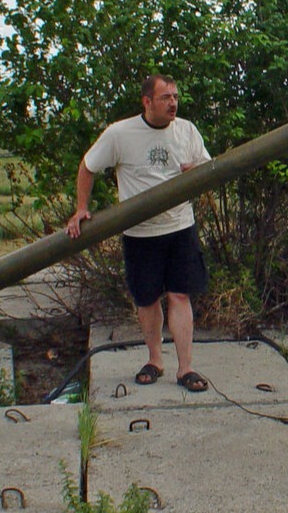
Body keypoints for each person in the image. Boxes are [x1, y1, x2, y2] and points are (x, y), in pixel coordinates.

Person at [65, 74, 211, 392]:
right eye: (165, 97)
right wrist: (81, 208)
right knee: (146, 299)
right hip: (140, 233)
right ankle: (155, 359)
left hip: (179, 226)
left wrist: (197, 172)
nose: (173, 103)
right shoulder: (120, 134)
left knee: (180, 294)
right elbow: (88, 166)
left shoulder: (187, 131)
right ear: (147, 102)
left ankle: (186, 368)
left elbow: (207, 169)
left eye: (175, 96)